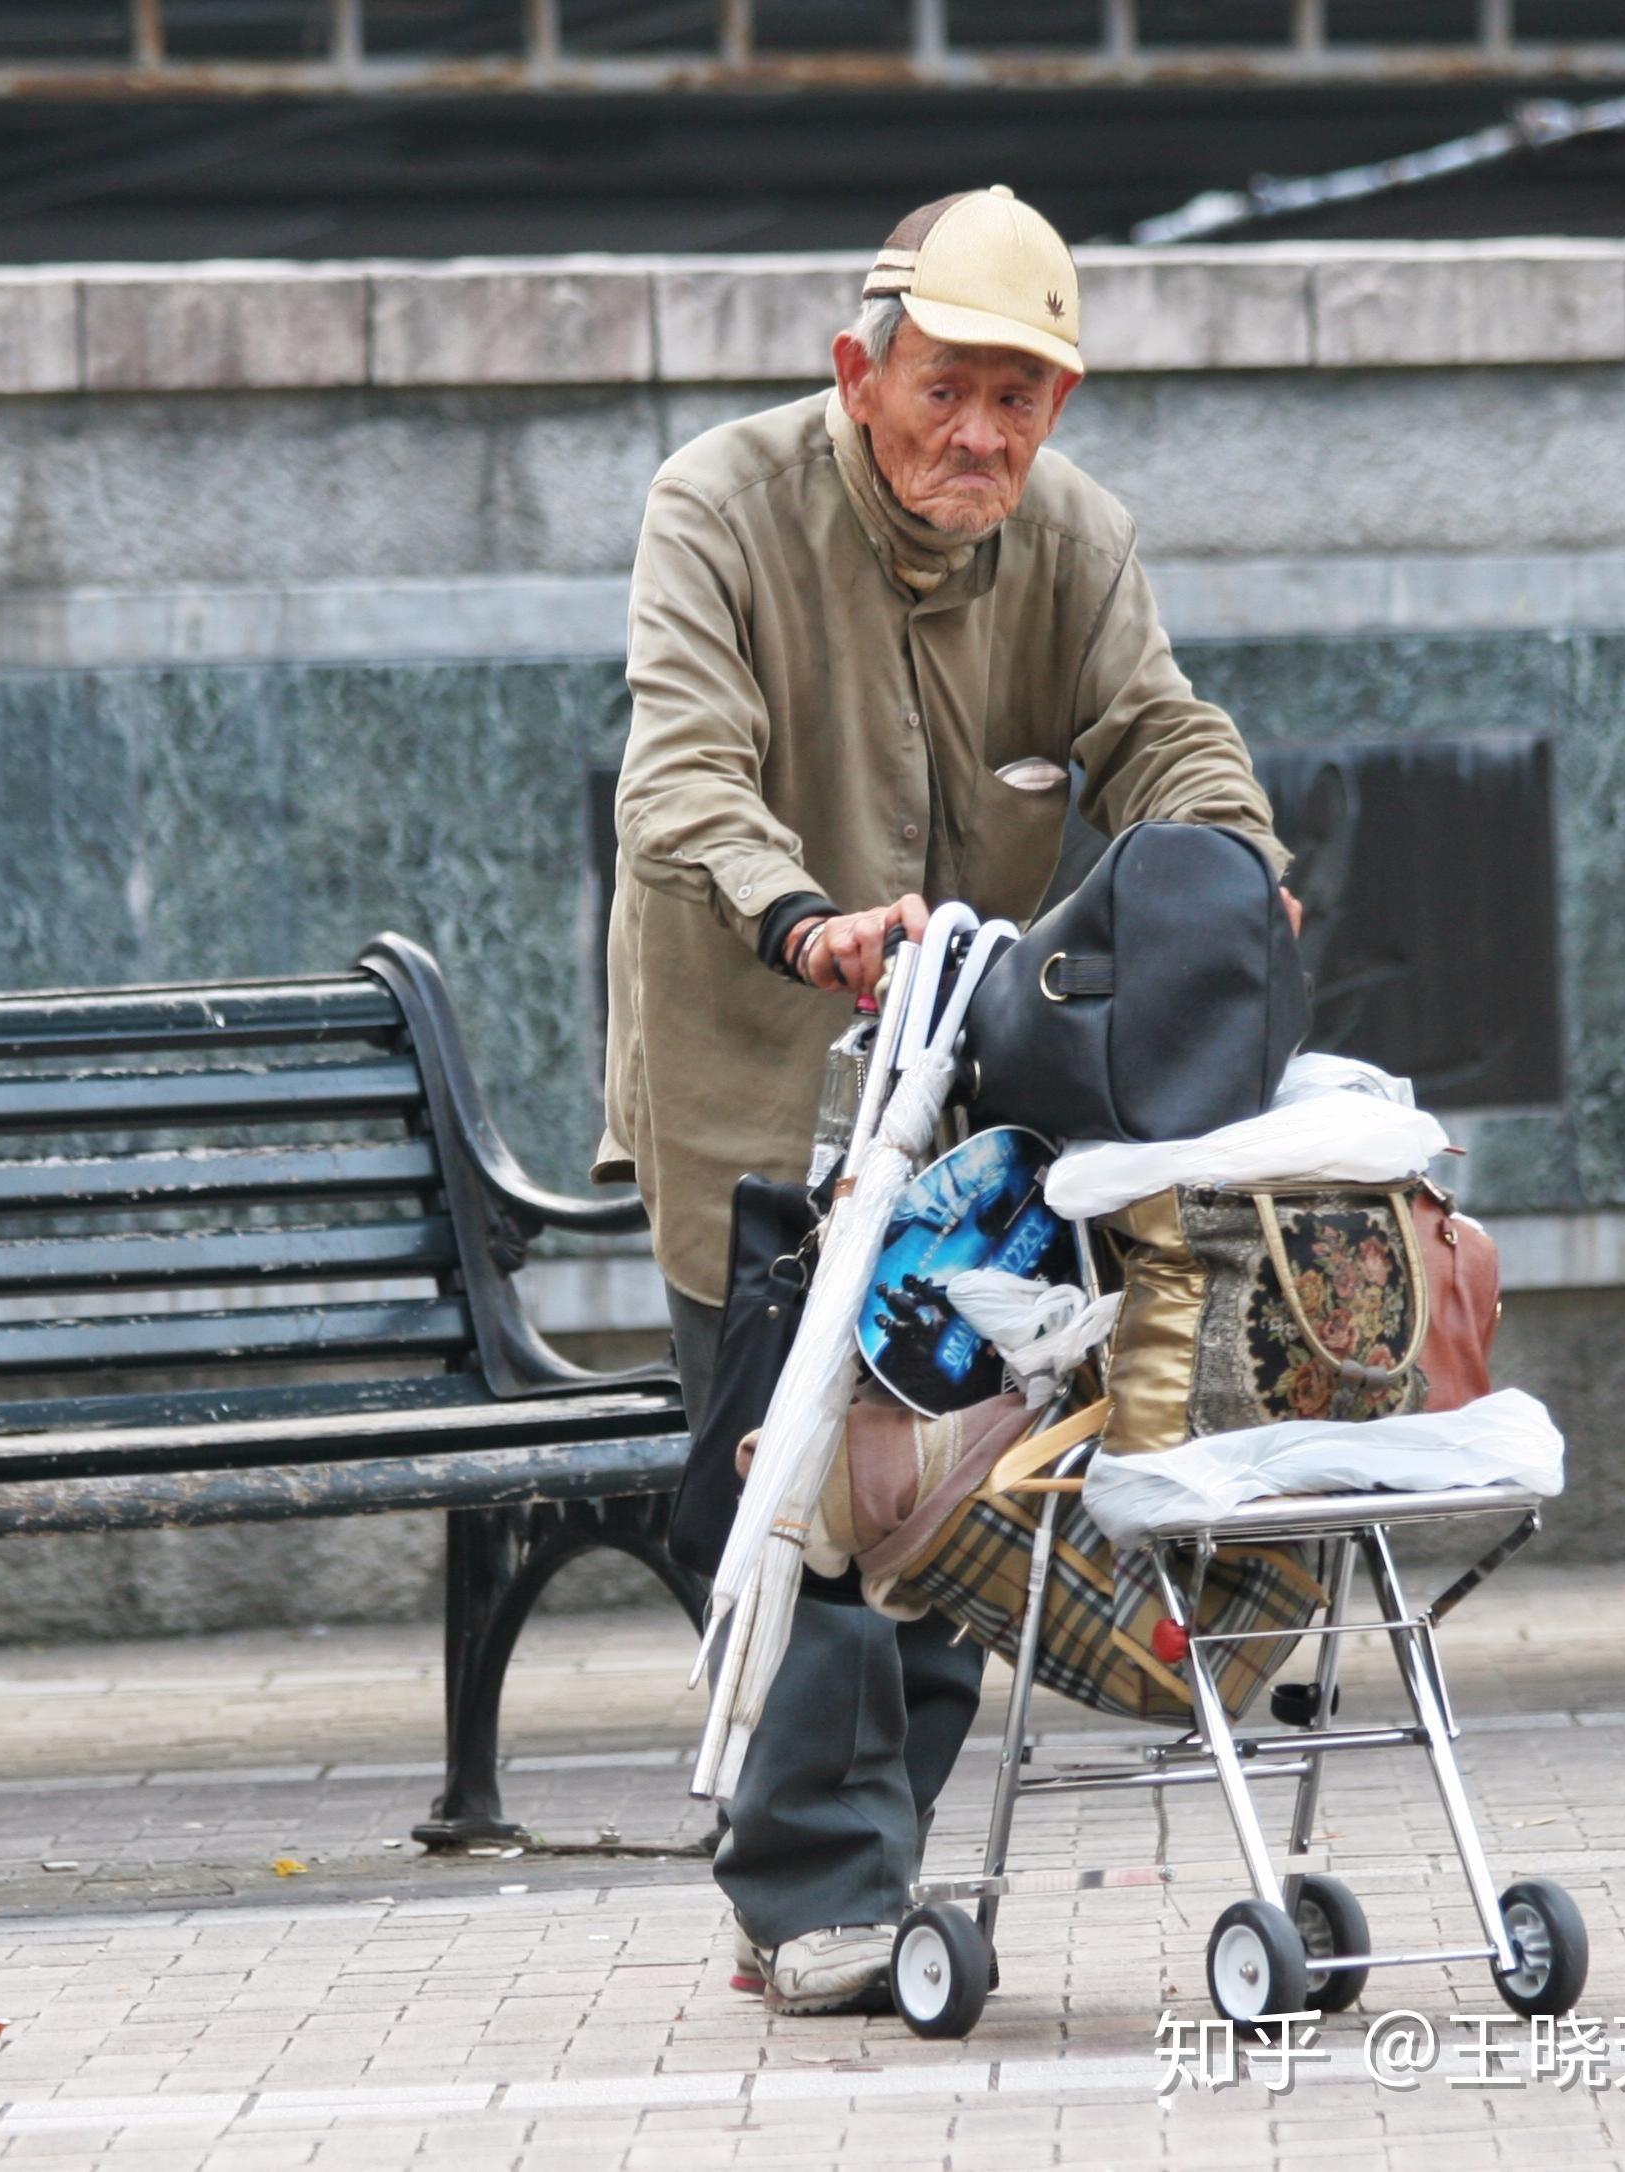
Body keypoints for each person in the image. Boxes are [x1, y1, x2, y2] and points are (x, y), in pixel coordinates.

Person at [596, 186, 1290, 2015]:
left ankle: (861, 1883)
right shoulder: (717, 505)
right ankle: (813, 1892)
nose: (982, 433)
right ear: (859, 372)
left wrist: (1232, 865)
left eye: (1021, 397)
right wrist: (808, 922)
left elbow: (1159, 731)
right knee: (808, 1488)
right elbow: (680, 781)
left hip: (974, 1113)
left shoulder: (1077, 538)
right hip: (757, 1089)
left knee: (953, 1485)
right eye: (947, 390)